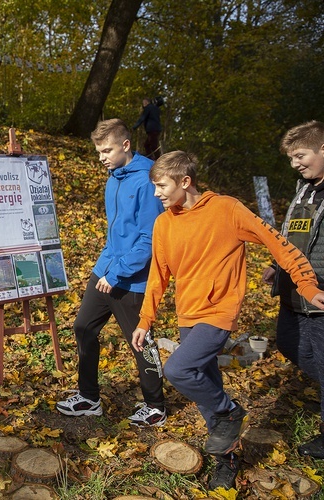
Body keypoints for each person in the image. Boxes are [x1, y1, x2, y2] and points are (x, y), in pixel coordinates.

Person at [132, 150, 324, 490]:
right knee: (208, 390)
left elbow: (278, 245)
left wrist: (307, 285)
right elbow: (157, 277)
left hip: (219, 312)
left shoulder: (227, 209)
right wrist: (145, 319)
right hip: (187, 313)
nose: (157, 193)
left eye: (161, 186)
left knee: (178, 370)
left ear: (185, 181)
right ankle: (228, 457)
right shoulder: (164, 223)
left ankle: (231, 410)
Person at [56, 118, 167, 427]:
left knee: (140, 341)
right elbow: (116, 231)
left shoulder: (147, 179)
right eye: (99, 151)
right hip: (106, 269)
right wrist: (106, 267)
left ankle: (156, 406)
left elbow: (150, 237)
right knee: (83, 327)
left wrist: (118, 272)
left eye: (107, 150)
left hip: (132, 278)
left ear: (126, 145)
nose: (101, 157)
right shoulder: (113, 177)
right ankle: (89, 398)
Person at [262, 120, 324, 459]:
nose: (295, 163)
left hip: (320, 294)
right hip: (292, 291)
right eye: (291, 158)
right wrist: (276, 263)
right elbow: (289, 233)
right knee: (287, 343)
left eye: (300, 155)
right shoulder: (305, 189)